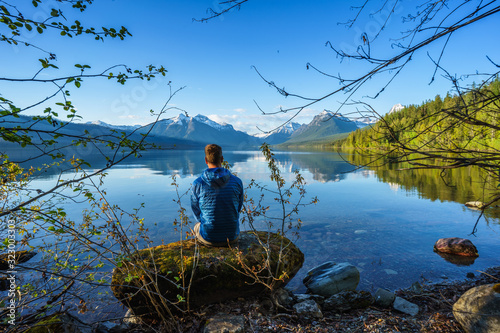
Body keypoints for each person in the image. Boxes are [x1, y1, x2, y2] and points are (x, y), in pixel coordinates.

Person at [191, 144, 244, 246]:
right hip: (232, 237)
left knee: (197, 226)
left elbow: (196, 210)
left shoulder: (198, 183)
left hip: (208, 238)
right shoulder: (237, 181)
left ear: (206, 160)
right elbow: (238, 208)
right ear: (222, 159)